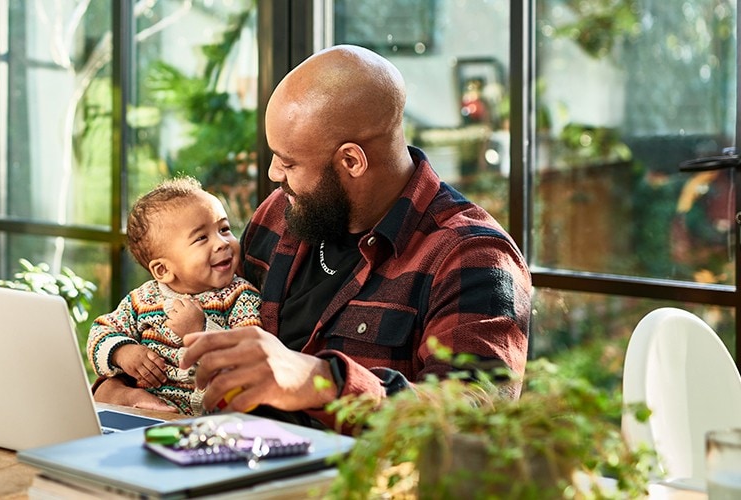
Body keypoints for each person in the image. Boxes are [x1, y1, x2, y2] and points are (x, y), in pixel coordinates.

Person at [94, 45, 531, 432]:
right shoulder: (280, 216)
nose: (273, 175)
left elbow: (471, 422)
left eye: (288, 162)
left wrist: (320, 382)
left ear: (351, 160)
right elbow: (210, 329)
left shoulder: (471, 256)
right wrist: (121, 388)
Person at [87, 176, 262, 415]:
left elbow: (250, 355)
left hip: (213, 420)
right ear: (163, 270)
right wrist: (123, 352)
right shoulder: (143, 299)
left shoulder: (240, 296)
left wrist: (200, 330)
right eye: (202, 238)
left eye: (224, 229)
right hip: (148, 414)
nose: (222, 243)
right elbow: (100, 332)